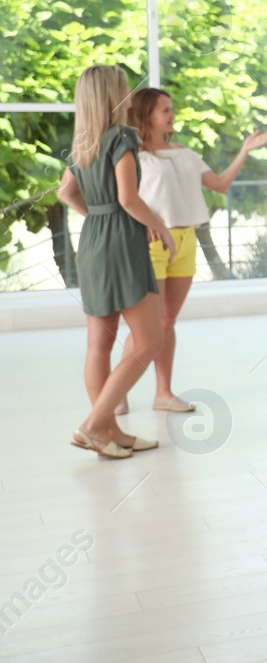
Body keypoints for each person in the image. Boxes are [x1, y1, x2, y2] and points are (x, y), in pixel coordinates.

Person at [127, 86, 267, 413]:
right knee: (146, 327)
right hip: (150, 244)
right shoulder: (134, 156)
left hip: (185, 240)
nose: (171, 114)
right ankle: (118, 387)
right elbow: (125, 200)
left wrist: (245, 150)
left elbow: (220, 185)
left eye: (171, 108)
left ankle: (163, 393)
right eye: (164, 109)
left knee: (166, 322)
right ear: (145, 115)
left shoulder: (186, 153)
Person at [55, 65, 169, 458]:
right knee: (150, 340)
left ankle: (110, 431)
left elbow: (66, 193)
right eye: (124, 83)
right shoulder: (122, 137)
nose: (128, 88)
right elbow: (129, 198)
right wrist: (161, 227)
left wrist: (97, 215)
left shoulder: (83, 143)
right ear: (112, 93)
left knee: (98, 344)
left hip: (93, 242)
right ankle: (91, 426)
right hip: (122, 240)